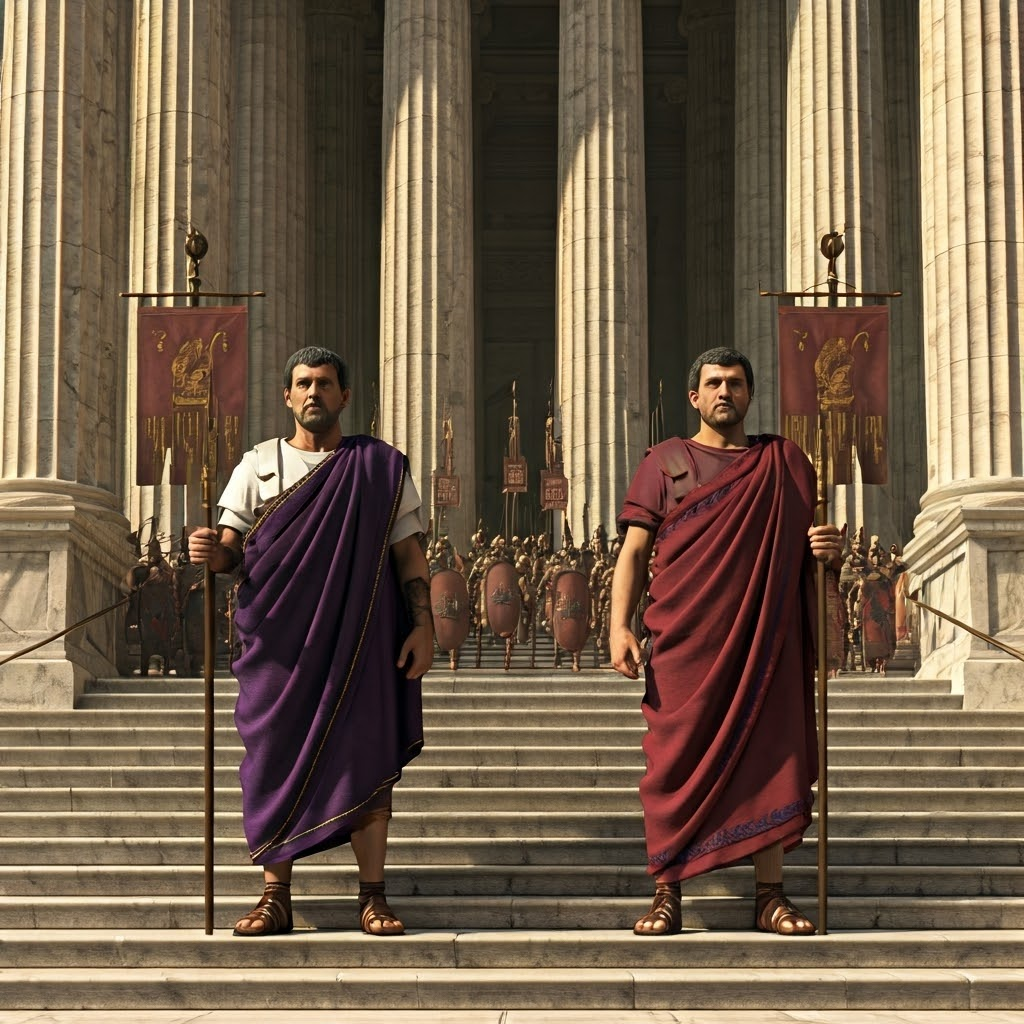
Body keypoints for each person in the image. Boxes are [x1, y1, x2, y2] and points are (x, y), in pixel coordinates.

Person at [188, 346, 434, 937]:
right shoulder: (257, 465)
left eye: (325, 383)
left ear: (345, 396)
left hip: (360, 639)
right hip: (277, 645)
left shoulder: (378, 468)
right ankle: (276, 895)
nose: (313, 392)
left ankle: (372, 895)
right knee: (271, 758)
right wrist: (211, 553)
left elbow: (409, 555)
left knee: (366, 756)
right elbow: (233, 549)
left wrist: (424, 625)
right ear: (287, 396)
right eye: (302, 383)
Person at [609, 347, 843, 937]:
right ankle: (668, 892)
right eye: (712, 383)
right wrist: (618, 625)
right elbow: (635, 551)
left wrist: (825, 555)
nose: (724, 393)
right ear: (694, 396)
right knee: (673, 766)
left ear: (750, 393)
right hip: (687, 644)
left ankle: (770, 897)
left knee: (772, 761)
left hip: (767, 640)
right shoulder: (664, 463)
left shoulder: (785, 461)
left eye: (735, 383)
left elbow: (803, 549)